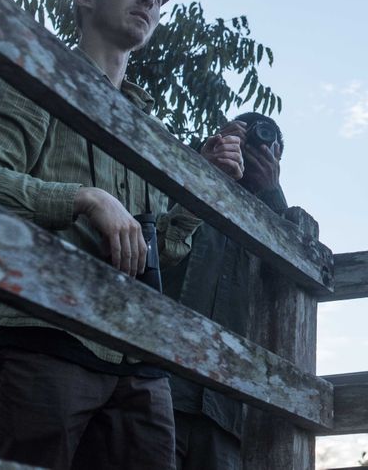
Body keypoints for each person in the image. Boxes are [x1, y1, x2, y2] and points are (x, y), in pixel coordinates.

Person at [0, 0, 244, 470]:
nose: (149, 0)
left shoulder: (148, 130)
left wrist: (205, 186)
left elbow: (164, 249)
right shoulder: (36, 74)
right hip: (44, 329)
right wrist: (83, 198)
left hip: (137, 351)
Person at [163, 112, 287, 470]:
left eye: (267, 148)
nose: (255, 152)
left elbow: (296, 281)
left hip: (228, 403)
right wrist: (204, 167)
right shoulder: (179, 180)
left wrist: (273, 193)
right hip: (160, 385)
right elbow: (153, 230)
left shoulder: (275, 221)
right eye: (247, 140)